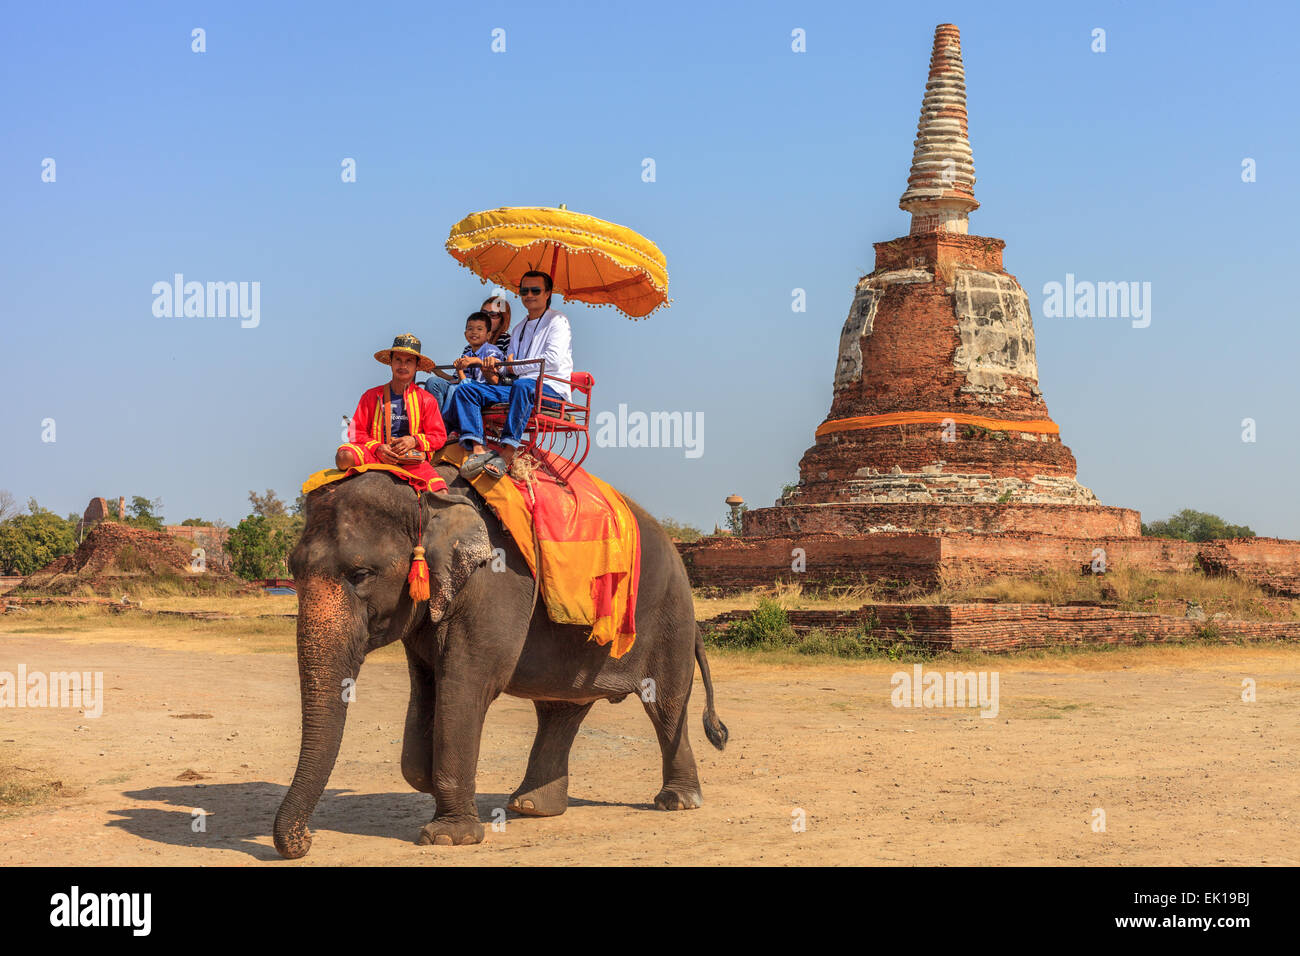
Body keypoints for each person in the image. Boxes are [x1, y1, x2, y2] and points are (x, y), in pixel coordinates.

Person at [449, 270, 572, 479]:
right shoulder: (519, 328)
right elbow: (508, 367)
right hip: (519, 388)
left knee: (522, 386)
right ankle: (478, 448)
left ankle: (506, 453)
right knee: (467, 389)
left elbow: (551, 360)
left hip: (550, 389)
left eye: (535, 290)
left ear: (548, 293)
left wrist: (513, 367)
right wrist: (494, 366)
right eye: (525, 290)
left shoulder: (558, 321)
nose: (529, 295)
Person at [336, 334, 446, 480]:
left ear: (417, 366)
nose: (403, 366)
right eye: (398, 360)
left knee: (440, 491)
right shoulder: (371, 395)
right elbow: (356, 432)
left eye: (409, 361)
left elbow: (438, 436)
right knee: (343, 457)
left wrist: (414, 441)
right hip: (376, 455)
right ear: (391, 362)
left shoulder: (427, 399)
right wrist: (377, 448)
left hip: (411, 460)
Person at [423, 312, 505, 433]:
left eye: (479, 329)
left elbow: (493, 380)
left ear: (488, 335)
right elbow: (457, 380)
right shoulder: (467, 354)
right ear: (465, 334)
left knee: (454, 389)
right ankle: (433, 422)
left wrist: (475, 363)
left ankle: (446, 426)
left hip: (485, 390)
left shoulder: (491, 351)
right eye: (470, 329)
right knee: (433, 382)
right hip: (465, 386)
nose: (474, 332)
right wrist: (436, 370)